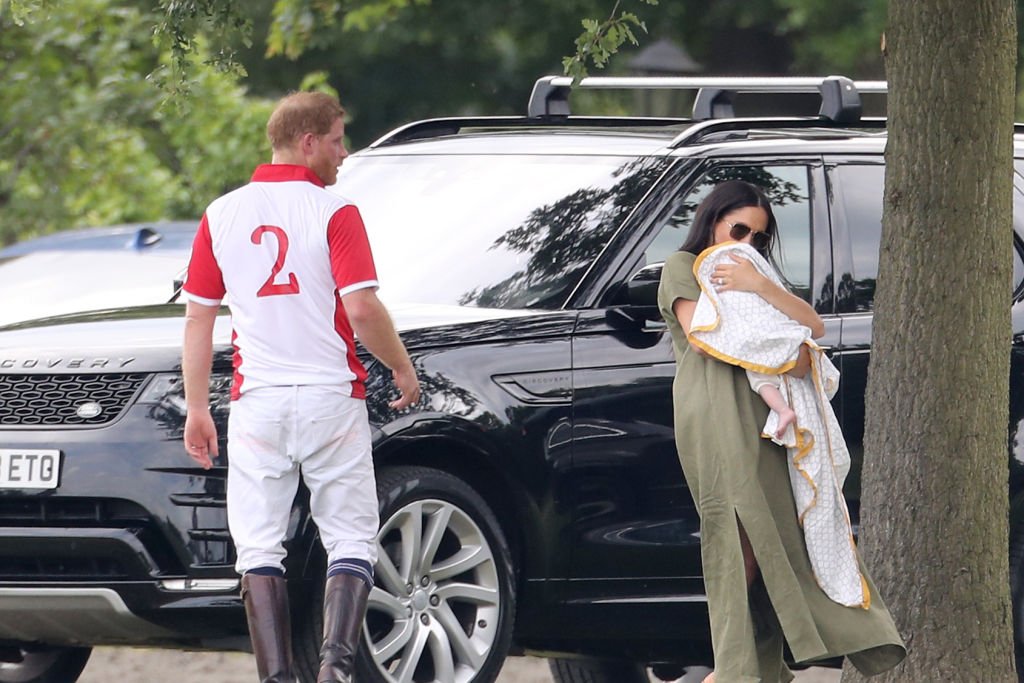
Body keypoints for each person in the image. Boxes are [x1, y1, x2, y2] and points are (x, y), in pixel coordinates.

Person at [181, 91, 420, 683]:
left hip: (257, 398)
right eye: (338, 139)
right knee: (351, 538)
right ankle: (335, 670)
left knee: (259, 548)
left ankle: (276, 677)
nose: (345, 153)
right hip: (328, 396)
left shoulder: (221, 212)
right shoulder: (333, 211)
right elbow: (361, 308)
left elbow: (199, 318)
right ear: (307, 141)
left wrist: (195, 408)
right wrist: (400, 365)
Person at [658, 180, 905, 682]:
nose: (746, 243)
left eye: (758, 237)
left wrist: (762, 287)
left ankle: (758, 672)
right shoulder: (685, 269)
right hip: (717, 417)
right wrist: (786, 352)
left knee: (778, 540)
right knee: (737, 540)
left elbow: (810, 331)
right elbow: (708, 338)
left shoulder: (753, 277)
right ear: (713, 219)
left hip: (769, 425)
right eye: (739, 229)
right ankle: (731, 673)